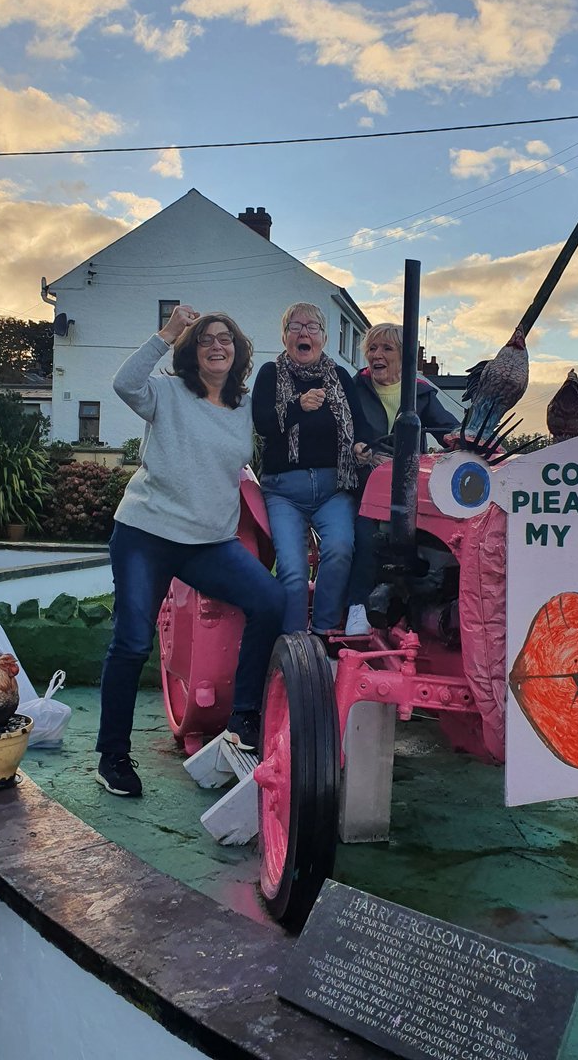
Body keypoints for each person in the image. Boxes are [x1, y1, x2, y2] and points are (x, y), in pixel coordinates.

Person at [95, 305, 285, 796]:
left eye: (225, 339)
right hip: (147, 533)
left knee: (270, 600)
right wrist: (166, 333)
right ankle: (112, 756)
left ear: (237, 351)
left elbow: (288, 429)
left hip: (209, 544)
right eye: (205, 340)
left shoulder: (245, 406)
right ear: (192, 352)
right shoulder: (167, 392)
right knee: (132, 642)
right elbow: (123, 384)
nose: (216, 346)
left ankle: (243, 719)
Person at [252, 303, 372, 635]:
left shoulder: (340, 377)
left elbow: (359, 425)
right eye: (295, 326)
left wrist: (361, 447)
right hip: (283, 491)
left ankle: (323, 633)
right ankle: (292, 646)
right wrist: (296, 406)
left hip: (334, 488)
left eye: (312, 327)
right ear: (285, 336)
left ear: (323, 337)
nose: (304, 332)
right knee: (292, 573)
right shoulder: (270, 373)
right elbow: (262, 424)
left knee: (340, 550)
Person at [345, 322, 459, 635]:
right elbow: (344, 432)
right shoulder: (353, 390)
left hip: (407, 489)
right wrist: (360, 451)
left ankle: (424, 605)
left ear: (404, 356)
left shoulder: (420, 393)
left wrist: (463, 438)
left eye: (386, 348)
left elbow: (447, 428)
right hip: (364, 484)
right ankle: (357, 606)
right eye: (372, 348)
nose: (377, 355)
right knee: (366, 536)